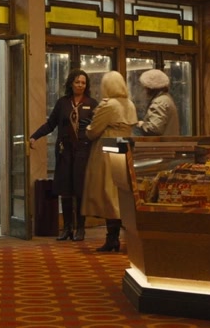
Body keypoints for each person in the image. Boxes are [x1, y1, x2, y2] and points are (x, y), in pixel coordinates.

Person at [30, 69, 97, 241]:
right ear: (71, 84)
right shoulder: (62, 103)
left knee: (80, 190)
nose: (80, 85)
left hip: (83, 151)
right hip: (64, 151)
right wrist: (35, 136)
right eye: (77, 82)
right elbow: (50, 124)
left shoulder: (92, 103)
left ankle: (80, 228)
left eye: (83, 83)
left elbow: (97, 128)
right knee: (65, 189)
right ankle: (67, 228)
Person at [82, 71, 138, 252]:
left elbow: (93, 131)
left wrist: (86, 128)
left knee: (107, 194)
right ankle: (123, 236)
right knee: (121, 194)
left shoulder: (108, 105)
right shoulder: (129, 104)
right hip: (124, 149)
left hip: (106, 150)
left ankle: (112, 238)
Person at [136, 69, 180, 136]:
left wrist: (142, 125)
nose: (144, 91)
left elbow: (154, 129)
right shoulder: (166, 98)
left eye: (144, 88)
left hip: (162, 142)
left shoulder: (159, 102)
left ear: (150, 88)